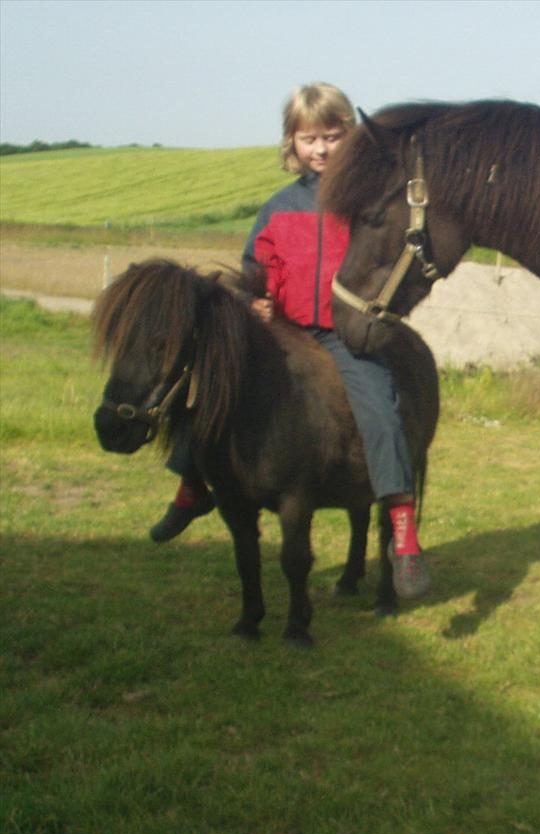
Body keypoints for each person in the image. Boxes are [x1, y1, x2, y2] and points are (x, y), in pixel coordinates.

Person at [149, 82, 429, 598]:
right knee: (206, 388)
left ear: (352, 137)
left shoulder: (368, 205)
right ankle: (191, 486)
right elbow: (251, 269)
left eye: (332, 135)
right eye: (308, 138)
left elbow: (389, 265)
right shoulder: (276, 208)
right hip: (280, 328)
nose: (321, 149)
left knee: (381, 409)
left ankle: (404, 528)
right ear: (291, 143)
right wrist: (250, 301)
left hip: (345, 331)